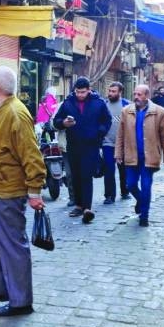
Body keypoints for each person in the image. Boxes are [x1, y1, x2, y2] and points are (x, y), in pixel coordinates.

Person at [0, 67, 45, 317]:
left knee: (12, 245)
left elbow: (32, 155)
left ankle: (21, 300)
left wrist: (34, 190)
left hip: (7, 190)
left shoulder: (15, 113)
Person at [53, 76, 111, 224]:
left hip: (91, 145)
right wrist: (64, 123)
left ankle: (87, 208)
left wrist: (99, 133)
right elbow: (56, 121)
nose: (80, 95)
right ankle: (78, 205)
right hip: (73, 145)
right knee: (75, 176)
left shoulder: (98, 103)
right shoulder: (68, 103)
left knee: (86, 175)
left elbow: (107, 120)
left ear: (89, 90)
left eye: (83, 92)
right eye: (78, 92)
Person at [115, 85, 164, 227]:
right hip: (131, 155)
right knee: (131, 184)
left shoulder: (159, 112)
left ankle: (144, 216)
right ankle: (141, 201)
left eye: (139, 94)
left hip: (150, 157)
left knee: (146, 186)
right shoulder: (126, 111)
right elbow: (120, 134)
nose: (136, 97)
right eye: (135, 94)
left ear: (147, 96)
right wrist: (118, 153)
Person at [101, 82, 129, 204]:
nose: (110, 93)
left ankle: (125, 191)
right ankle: (109, 196)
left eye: (114, 91)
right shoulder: (104, 105)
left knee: (123, 169)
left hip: (123, 144)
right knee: (109, 169)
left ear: (120, 92)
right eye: (110, 91)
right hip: (107, 143)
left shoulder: (127, 105)